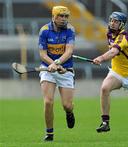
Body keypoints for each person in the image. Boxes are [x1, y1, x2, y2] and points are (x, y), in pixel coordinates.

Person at [38, 6, 75, 141]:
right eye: (61, 16)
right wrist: (52, 64)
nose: (64, 19)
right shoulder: (44, 31)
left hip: (65, 69)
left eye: (66, 16)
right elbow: (42, 54)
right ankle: (49, 133)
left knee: (67, 105)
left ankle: (69, 113)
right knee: (48, 102)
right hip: (47, 69)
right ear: (53, 17)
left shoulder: (70, 30)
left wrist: (57, 63)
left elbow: (69, 51)